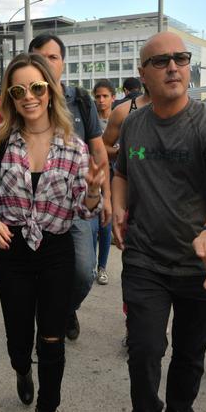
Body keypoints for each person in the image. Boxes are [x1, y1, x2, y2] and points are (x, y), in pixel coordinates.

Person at [112, 31, 206, 412]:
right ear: (143, 74)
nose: (173, 66)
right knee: (145, 349)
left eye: (181, 58)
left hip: (202, 265)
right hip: (145, 259)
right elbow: (121, 172)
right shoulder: (133, 124)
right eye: (161, 60)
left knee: (190, 353)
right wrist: (116, 204)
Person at [0, 53, 103, 412]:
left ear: (50, 90)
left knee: (51, 341)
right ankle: (19, 369)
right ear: (10, 97)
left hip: (56, 252)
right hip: (11, 249)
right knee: (17, 339)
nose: (29, 97)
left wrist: (95, 195)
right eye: (19, 90)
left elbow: (84, 212)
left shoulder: (74, 146)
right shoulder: (0, 141)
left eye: (37, 87)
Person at [29, 33, 111, 341]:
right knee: (39, 275)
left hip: (76, 201)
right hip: (33, 207)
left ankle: (63, 310)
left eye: (52, 57)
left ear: (63, 63)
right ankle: (48, 323)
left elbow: (98, 150)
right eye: (39, 56)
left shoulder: (80, 100)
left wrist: (108, 197)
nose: (46, 63)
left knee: (83, 271)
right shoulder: (22, 99)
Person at [91, 79, 115, 285]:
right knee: (92, 224)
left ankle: (102, 266)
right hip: (92, 177)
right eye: (97, 96)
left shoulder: (120, 120)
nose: (101, 100)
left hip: (114, 179)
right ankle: (91, 263)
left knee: (105, 224)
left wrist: (110, 152)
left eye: (105, 96)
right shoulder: (92, 121)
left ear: (113, 97)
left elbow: (131, 151)